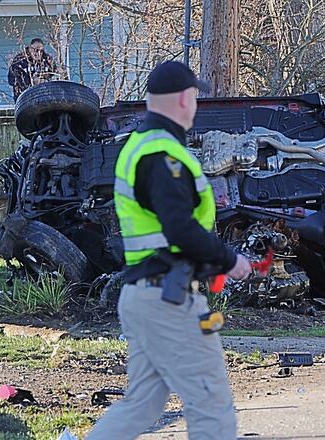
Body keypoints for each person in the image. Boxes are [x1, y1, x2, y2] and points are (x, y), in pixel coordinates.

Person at [86, 61, 252, 440]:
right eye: (195, 97)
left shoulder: (143, 146)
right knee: (210, 402)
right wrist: (229, 259)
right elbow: (179, 227)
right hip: (167, 299)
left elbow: (167, 228)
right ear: (183, 99)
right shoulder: (162, 155)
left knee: (142, 403)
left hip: (146, 296)